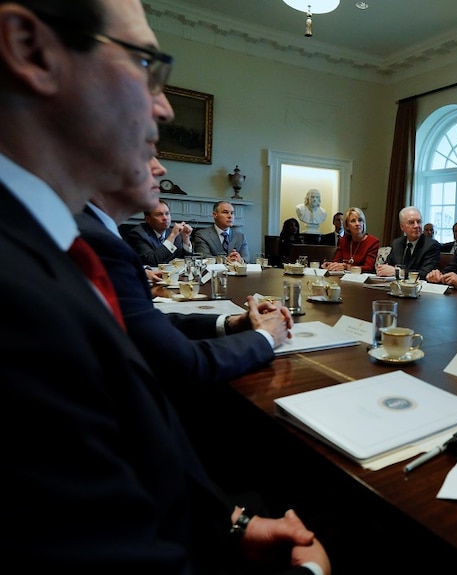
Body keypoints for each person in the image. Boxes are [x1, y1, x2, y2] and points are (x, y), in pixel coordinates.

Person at [0, 1, 328, 572]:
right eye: (147, 64)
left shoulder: (48, 246)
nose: (164, 105)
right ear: (30, 49)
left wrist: (229, 525)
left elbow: (119, 463)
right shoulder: (18, 296)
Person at [78, 156, 290, 386]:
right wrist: (265, 337)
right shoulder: (92, 242)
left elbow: (151, 323)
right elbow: (181, 363)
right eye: (144, 150)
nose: (161, 168)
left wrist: (232, 323)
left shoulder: (98, 233)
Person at [377, 206, 441, 279]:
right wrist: (382, 270)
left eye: (419, 222)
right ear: (402, 227)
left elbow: (426, 273)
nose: (416, 226)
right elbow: (387, 265)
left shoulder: (431, 245)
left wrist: (398, 272)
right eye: (411, 223)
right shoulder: (397, 243)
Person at [124, 198, 193, 265]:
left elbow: (185, 260)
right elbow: (152, 261)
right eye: (159, 214)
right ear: (148, 219)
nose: (165, 218)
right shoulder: (138, 234)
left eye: (167, 213)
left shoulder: (175, 235)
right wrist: (172, 236)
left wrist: (186, 238)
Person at [321, 206, 379, 273]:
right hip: (344, 277)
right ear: (347, 226)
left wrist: (347, 267)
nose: (357, 224)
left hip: (362, 279)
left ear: (363, 223)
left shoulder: (373, 242)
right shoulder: (343, 241)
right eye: (353, 221)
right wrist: (331, 265)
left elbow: (368, 267)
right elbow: (337, 261)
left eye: (360, 220)